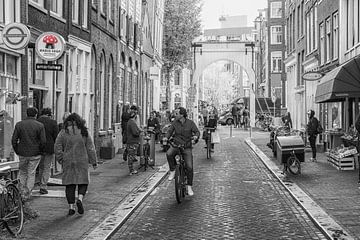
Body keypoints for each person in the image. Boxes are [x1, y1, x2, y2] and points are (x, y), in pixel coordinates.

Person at [54, 113, 97, 216]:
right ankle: (80, 199)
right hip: (82, 160)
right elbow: (90, 147)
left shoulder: (63, 132)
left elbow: (57, 146)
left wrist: (61, 158)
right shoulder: (84, 132)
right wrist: (94, 161)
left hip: (68, 161)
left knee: (70, 184)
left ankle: (71, 207)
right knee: (83, 182)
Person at [11, 107, 46, 218]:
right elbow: (43, 141)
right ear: (35, 115)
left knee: (22, 172)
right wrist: (40, 151)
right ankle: (27, 194)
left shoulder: (19, 124)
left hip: (22, 153)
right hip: (35, 153)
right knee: (31, 173)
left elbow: (14, 140)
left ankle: (21, 192)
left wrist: (17, 150)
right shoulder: (39, 126)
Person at [163, 107, 200, 196]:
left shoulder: (190, 123)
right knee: (169, 153)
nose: (175, 115)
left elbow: (197, 132)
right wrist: (166, 137)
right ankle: (172, 170)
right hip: (176, 145)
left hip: (186, 146)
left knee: (189, 167)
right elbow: (169, 131)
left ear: (182, 115)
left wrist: (195, 137)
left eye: (177, 114)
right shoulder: (175, 123)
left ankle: (189, 186)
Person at [37, 108, 59, 194]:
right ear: (50, 114)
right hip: (49, 148)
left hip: (39, 148)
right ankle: (43, 185)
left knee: (41, 166)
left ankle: (40, 182)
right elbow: (56, 136)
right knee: (47, 167)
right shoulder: (53, 122)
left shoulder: (37, 121)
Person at [126, 105, 142, 175]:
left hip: (131, 141)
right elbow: (135, 132)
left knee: (131, 156)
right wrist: (139, 132)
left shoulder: (130, 122)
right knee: (131, 156)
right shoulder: (132, 122)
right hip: (133, 141)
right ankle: (131, 170)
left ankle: (131, 170)